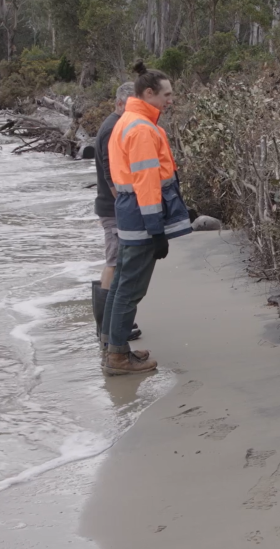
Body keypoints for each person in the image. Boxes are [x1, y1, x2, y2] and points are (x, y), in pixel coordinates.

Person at [101, 61, 192, 375]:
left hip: (129, 215)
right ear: (149, 93)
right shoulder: (140, 128)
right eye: (166, 95)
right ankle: (117, 358)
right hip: (140, 219)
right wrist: (156, 230)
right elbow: (146, 182)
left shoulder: (127, 120)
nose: (170, 100)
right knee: (130, 289)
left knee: (121, 284)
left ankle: (113, 347)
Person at [91, 83, 142, 345]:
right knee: (114, 263)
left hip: (112, 207)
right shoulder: (113, 127)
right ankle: (107, 328)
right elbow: (113, 178)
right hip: (113, 209)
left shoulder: (115, 124)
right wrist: (129, 209)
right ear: (120, 103)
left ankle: (109, 326)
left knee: (116, 262)